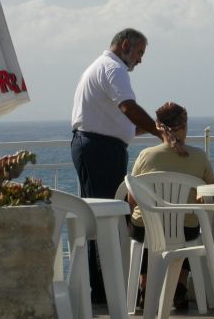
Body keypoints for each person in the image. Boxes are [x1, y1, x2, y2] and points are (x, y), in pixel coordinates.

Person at [71, 28, 162, 304]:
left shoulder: (102, 68)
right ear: (125, 45)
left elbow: (124, 123)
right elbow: (128, 108)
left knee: (102, 216)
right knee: (103, 218)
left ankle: (103, 290)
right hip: (99, 149)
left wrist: (156, 124)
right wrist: (160, 131)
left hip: (99, 147)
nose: (140, 60)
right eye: (140, 52)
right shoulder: (114, 69)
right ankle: (103, 292)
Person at [128, 101, 214, 311]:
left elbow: (132, 198)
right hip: (185, 230)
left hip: (145, 229)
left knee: (147, 224)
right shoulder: (199, 157)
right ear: (184, 127)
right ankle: (180, 286)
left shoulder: (146, 156)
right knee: (183, 227)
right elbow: (211, 195)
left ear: (159, 126)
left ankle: (145, 286)